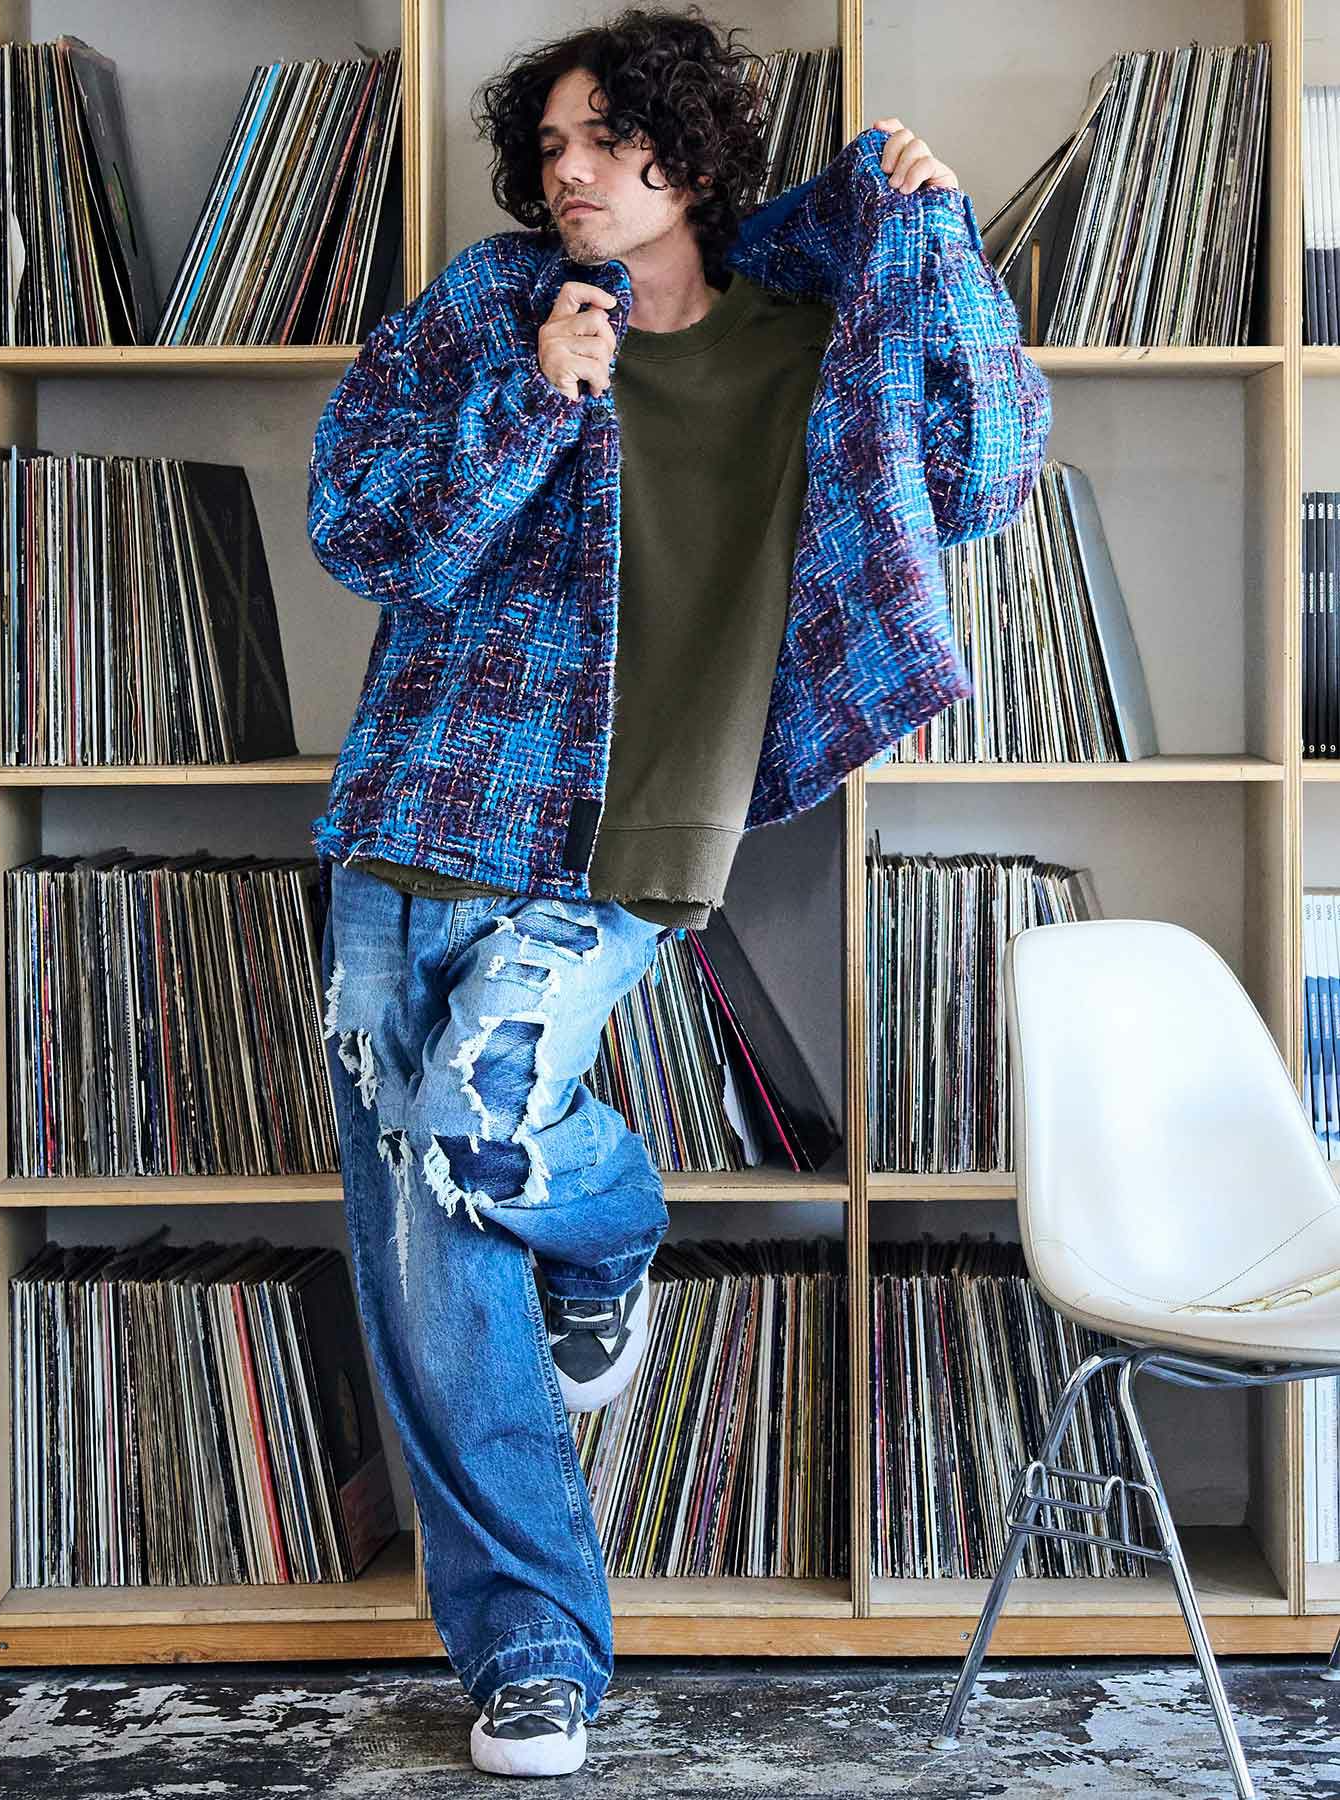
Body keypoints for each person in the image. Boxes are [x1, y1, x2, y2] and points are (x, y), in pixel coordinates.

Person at [308, 4, 1049, 1777]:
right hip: (432, 809)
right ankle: (532, 1658)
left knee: (482, 1124)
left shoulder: (825, 326)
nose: (568, 172)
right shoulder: (493, 310)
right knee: (434, 1284)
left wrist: (941, 237)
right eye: (549, 145)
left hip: (640, 841)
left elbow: (984, 471)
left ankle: (611, 1227)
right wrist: (531, 396)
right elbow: (363, 530)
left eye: (606, 139)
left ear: (691, 154)